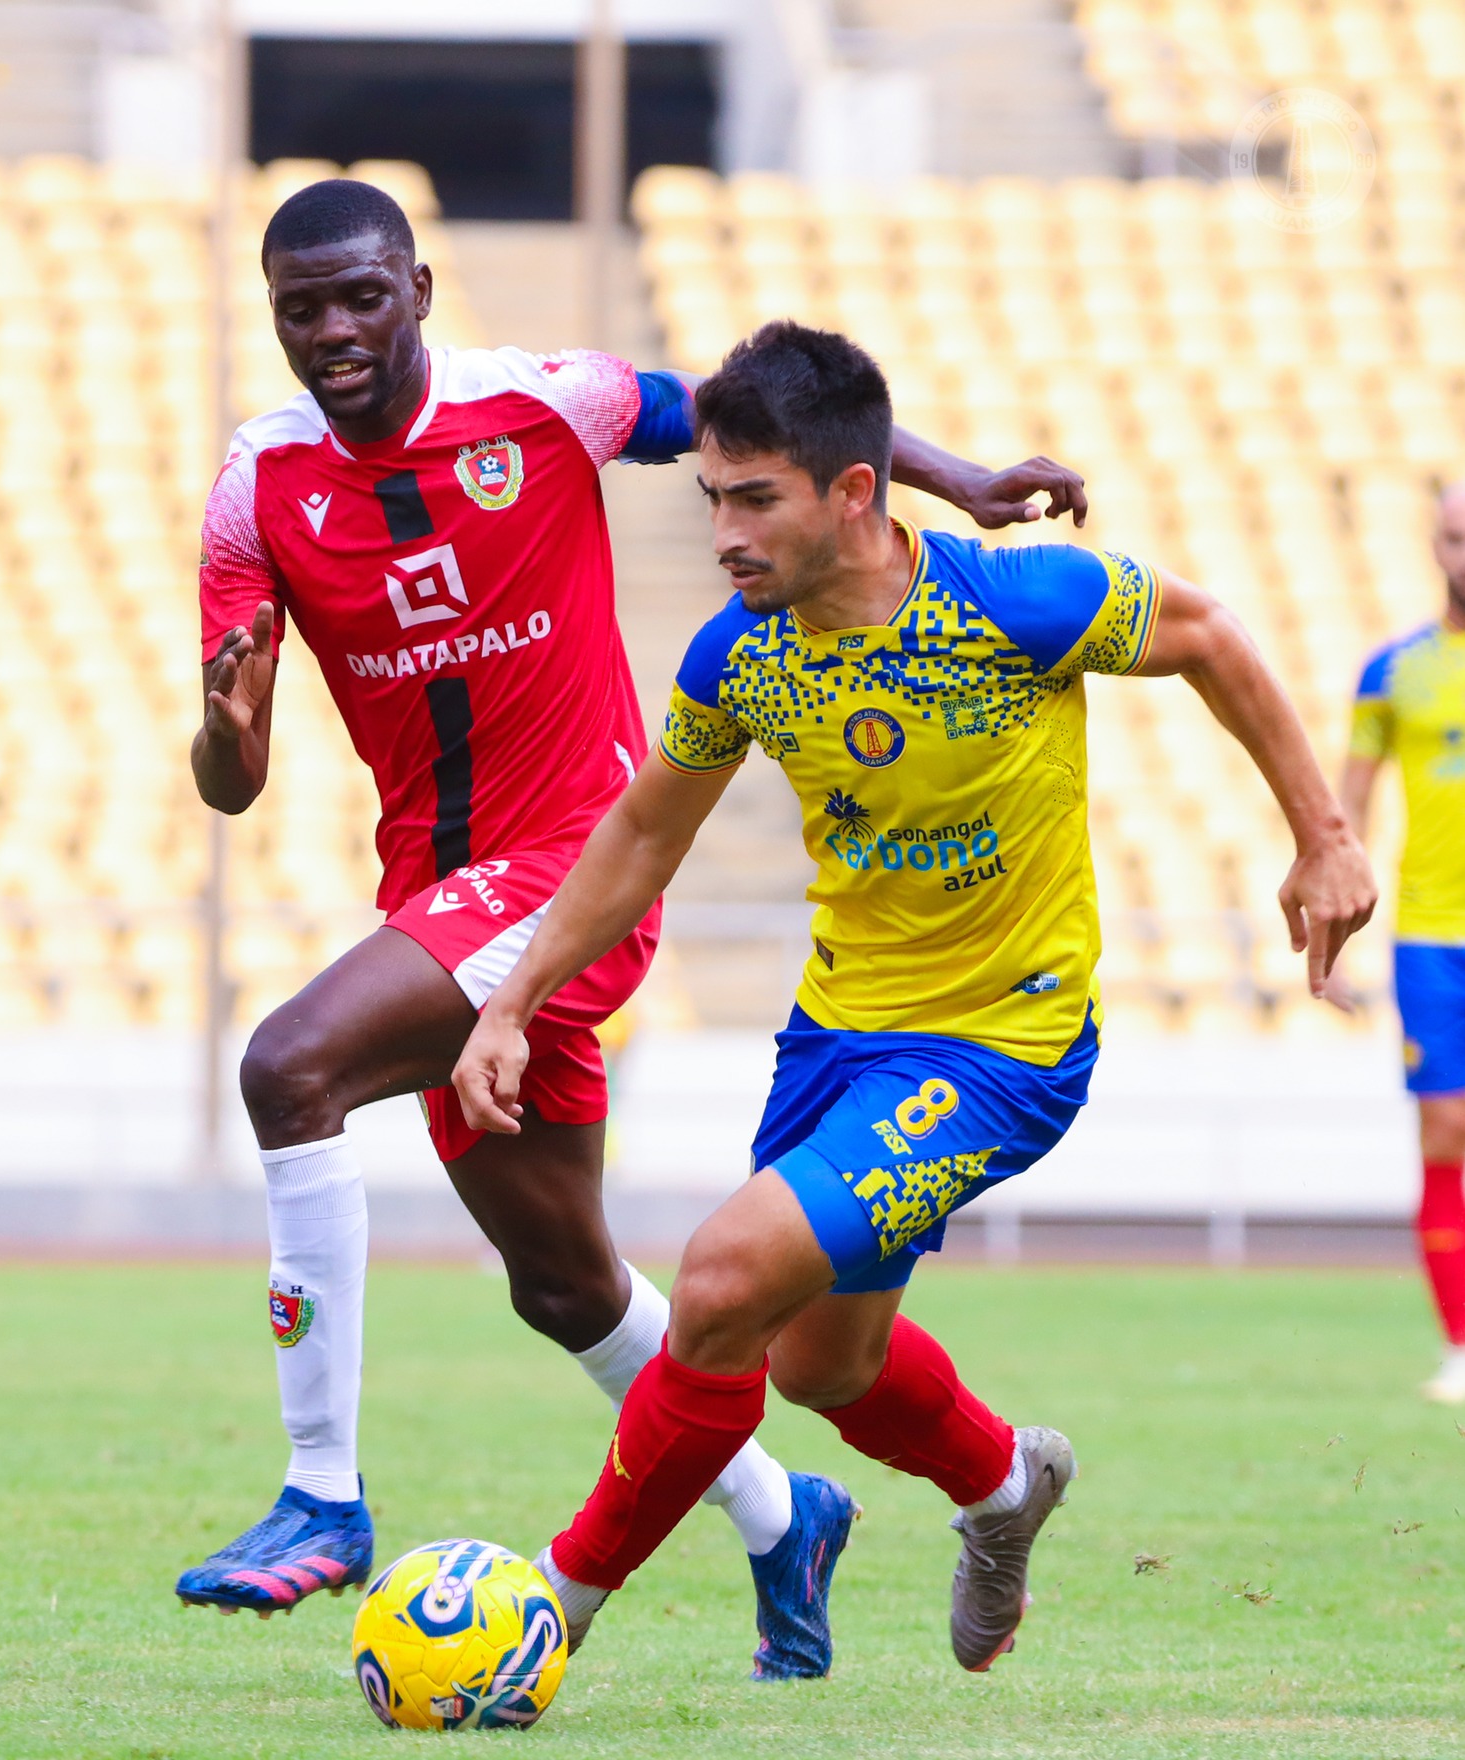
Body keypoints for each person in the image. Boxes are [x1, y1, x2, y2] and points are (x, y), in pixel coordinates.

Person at [177, 180, 1092, 1679]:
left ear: (415, 285)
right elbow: (234, 778)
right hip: (436, 894)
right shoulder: (254, 487)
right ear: (274, 314)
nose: (334, 329)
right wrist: (222, 729)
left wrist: (964, 480)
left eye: (360, 296)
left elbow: (770, 428)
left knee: (289, 1070)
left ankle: (320, 1498)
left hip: (573, 867)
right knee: (567, 1286)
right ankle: (784, 1516)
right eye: (301, 307)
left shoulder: (549, 406)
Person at [453, 321, 1377, 1673]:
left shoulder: (1017, 604)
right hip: (839, 1034)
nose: (724, 532)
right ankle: (1006, 1485)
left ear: (853, 493)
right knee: (819, 1366)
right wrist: (513, 998)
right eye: (711, 497)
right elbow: (646, 832)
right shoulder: (740, 658)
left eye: (754, 499)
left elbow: (1209, 635)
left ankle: (548, 1612)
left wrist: (1324, 832)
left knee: (716, 1283)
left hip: (1002, 1044)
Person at [1339, 483, 1465, 1403]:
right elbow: (1345, 807)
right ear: (1433, 545)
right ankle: (1461, 1345)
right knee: (1444, 1129)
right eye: (1454, 538)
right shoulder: (1393, 672)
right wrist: (1335, 935)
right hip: (1429, 934)